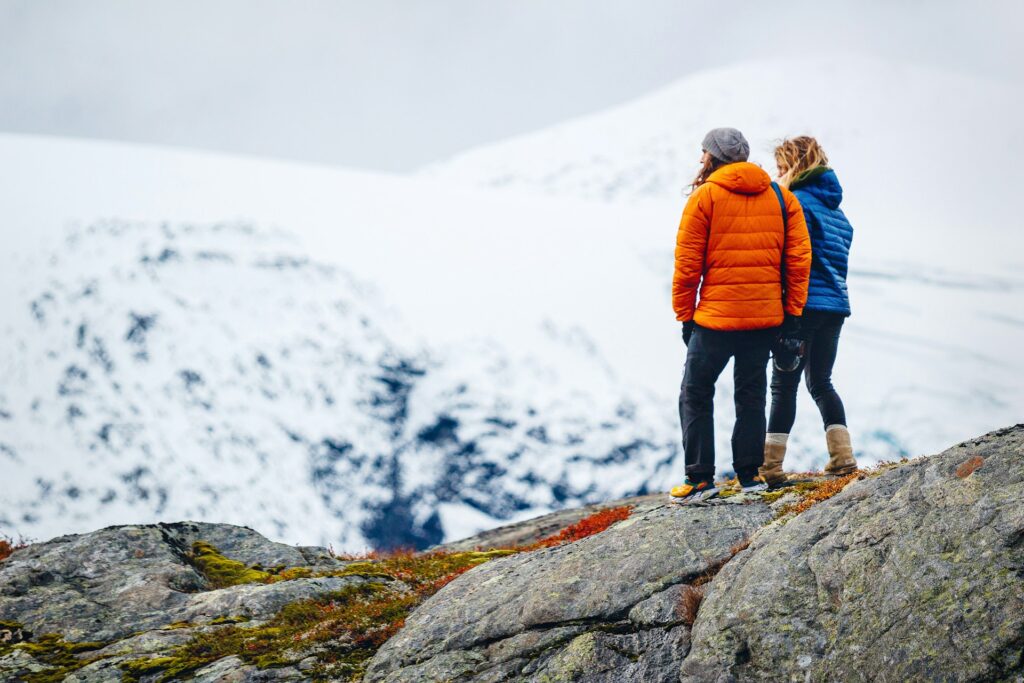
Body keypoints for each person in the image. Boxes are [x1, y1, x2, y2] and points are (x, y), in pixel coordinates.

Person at [670, 128, 811, 503]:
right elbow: (798, 262)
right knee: (751, 395)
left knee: (695, 393)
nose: (700, 158)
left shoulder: (705, 197)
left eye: (703, 152)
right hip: (764, 319)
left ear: (713, 157)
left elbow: (687, 266)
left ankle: (700, 480)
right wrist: (792, 314)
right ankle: (749, 476)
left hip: (715, 320)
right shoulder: (780, 196)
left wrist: (686, 317)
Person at [759, 136, 857, 487]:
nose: (777, 175)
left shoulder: (795, 202)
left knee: (783, 386)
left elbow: (790, 256)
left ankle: (770, 467)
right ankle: (843, 457)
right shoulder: (838, 213)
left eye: (781, 168)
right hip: (835, 306)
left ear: (795, 166)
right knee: (821, 382)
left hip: (803, 307)